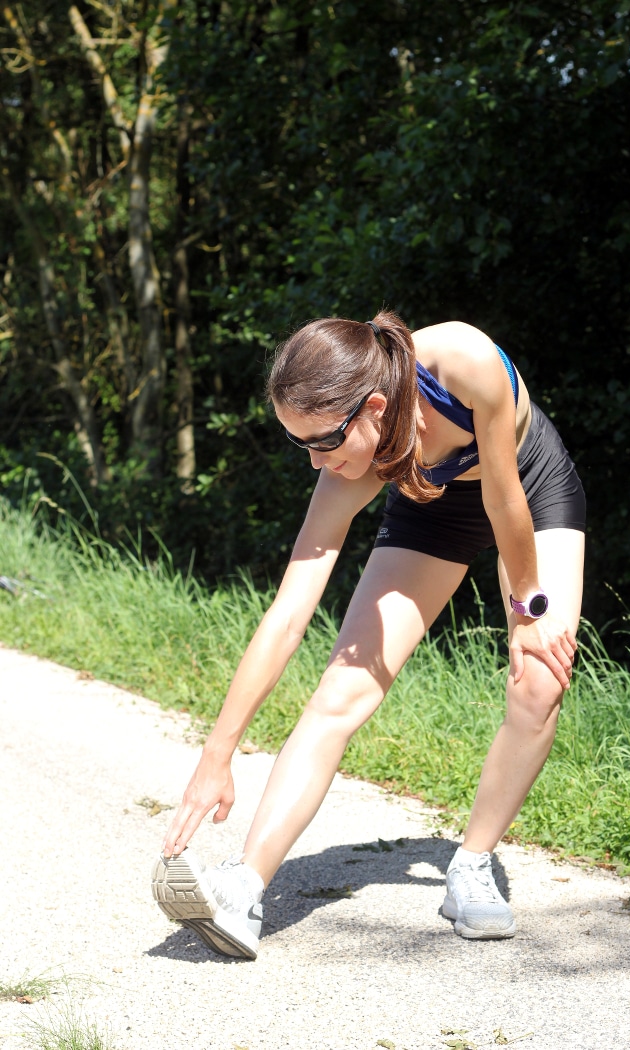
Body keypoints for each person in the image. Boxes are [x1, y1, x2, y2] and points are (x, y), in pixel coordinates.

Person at [151, 312, 585, 958]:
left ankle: (471, 864)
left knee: (538, 681)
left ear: (373, 408)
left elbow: (504, 502)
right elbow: (288, 614)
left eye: (322, 443)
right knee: (339, 696)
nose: (315, 463)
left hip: (526, 485)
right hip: (426, 504)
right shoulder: (344, 462)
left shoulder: (463, 363)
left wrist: (529, 610)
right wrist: (218, 754)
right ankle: (243, 886)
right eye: (300, 446)